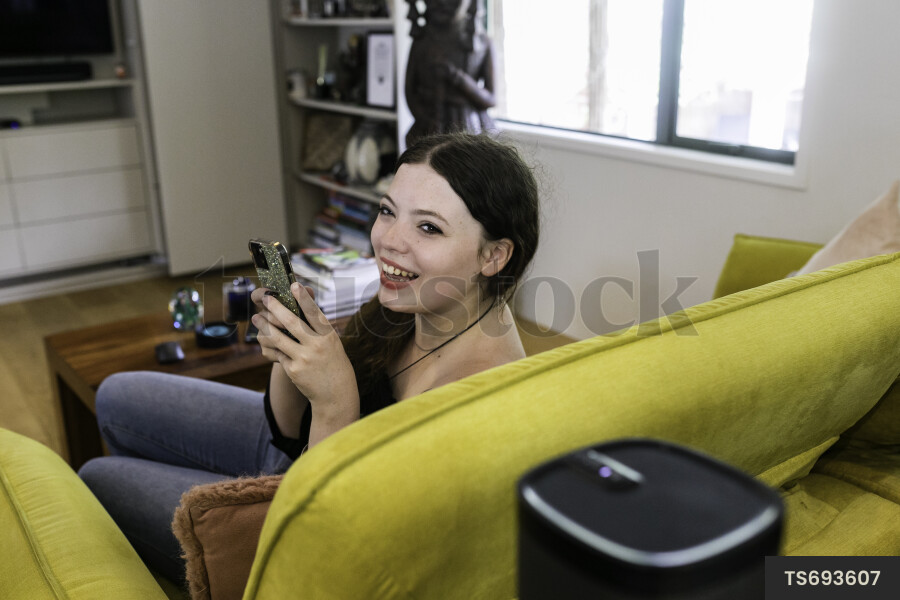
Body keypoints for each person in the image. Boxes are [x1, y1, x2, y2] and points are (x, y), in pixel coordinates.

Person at [77, 131, 541, 584]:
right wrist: (290, 352)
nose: (388, 241)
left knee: (98, 476)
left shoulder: (471, 402)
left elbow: (322, 548)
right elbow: (284, 432)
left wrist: (335, 403)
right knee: (116, 395)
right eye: (387, 211)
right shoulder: (407, 306)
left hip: (303, 516)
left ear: (494, 255)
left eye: (428, 227)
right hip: (304, 451)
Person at [404, 0, 497, 146]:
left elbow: (491, 98)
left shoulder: (483, 42)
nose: (442, 3)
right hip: (427, 129)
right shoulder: (421, 42)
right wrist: (426, 119)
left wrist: (457, 77)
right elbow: (410, 91)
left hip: (470, 129)